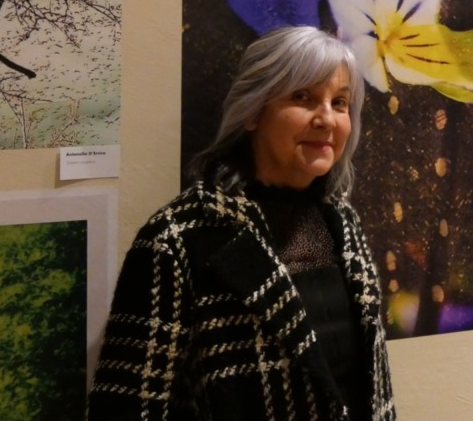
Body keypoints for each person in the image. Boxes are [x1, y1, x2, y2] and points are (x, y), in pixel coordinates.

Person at [87, 26, 396, 421]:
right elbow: (126, 406)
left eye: (339, 103)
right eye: (302, 97)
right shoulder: (178, 238)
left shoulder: (343, 222)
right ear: (253, 112)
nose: (326, 119)